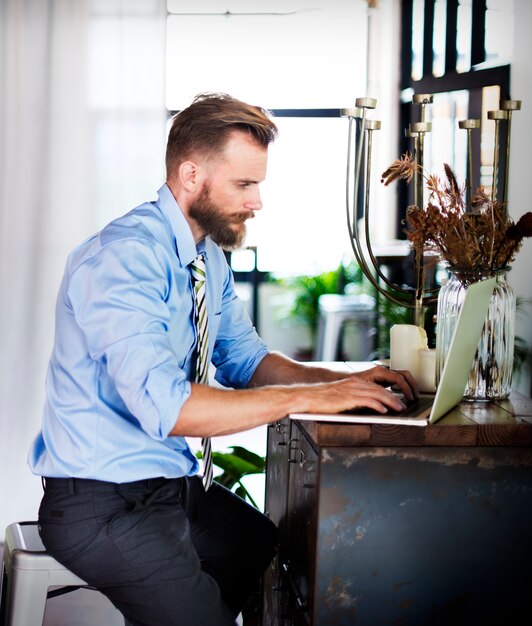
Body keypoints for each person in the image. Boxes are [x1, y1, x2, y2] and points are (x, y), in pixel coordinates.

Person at [28, 92, 417, 626]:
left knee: (253, 542)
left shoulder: (204, 253)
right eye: (244, 184)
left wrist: (338, 381)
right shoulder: (124, 258)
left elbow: (244, 358)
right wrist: (308, 397)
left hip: (165, 488)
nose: (257, 201)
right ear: (192, 176)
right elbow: (170, 410)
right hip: (101, 504)